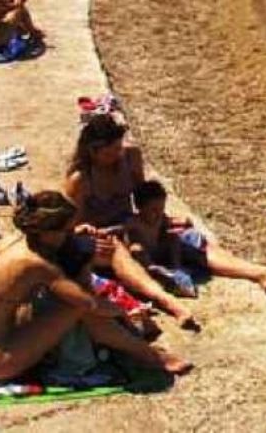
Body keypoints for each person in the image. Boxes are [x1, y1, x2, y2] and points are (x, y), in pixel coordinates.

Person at [0, 190, 191, 381]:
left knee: (60, 302)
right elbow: (89, 303)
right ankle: (150, 356)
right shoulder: (35, 265)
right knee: (78, 308)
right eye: (66, 231)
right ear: (47, 231)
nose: (70, 235)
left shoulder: (11, 242)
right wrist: (125, 311)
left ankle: (139, 350)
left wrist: (76, 235)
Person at [63, 116, 199, 329]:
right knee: (117, 248)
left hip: (129, 224)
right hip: (101, 236)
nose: (117, 155)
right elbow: (69, 226)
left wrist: (160, 218)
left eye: (119, 148)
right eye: (110, 152)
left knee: (187, 236)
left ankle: (256, 272)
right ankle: (168, 301)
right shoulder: (80, 180)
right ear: (93, 151)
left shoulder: (130, 157)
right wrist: (86, 232)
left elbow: (144, 197)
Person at [126, 180, 266, 295]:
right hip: (150, 255)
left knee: (185, 240)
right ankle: (262, 273)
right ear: (141, 208)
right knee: (140, 250)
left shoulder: (159, 219)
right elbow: (123, 230)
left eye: (161, 209)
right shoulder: (135, 222)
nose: (158, 214)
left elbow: (168, 224)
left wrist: (181, 223)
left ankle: (262, 272)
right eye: (154, 210)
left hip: (164, 250)